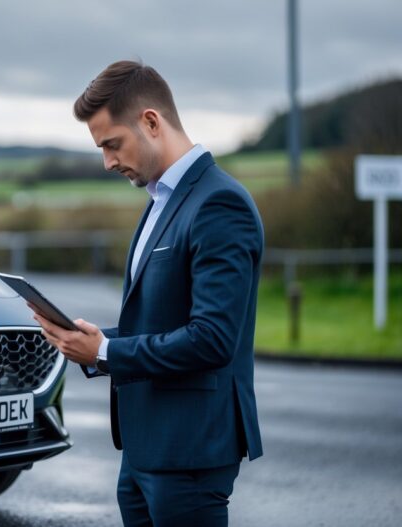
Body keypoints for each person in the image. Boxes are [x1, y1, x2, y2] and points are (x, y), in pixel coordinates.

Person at [31, 60, 264, 527]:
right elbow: (161, 322)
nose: (108, 162)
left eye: (112, 145)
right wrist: (95, 342)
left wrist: (108, 352)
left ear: (151, 122)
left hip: (190, 450)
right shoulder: (161, 199)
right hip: (142, 448)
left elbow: (213, 339)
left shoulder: (220, 203)